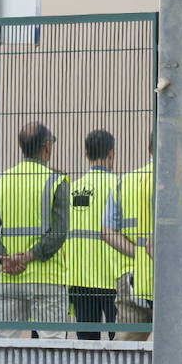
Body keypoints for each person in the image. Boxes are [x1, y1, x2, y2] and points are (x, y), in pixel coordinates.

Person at [0, 122, 71, 337]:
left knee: (4, 347)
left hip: (9, 277)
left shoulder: (1, 180)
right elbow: (59, 232)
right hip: (47, 279)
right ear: (47, 146)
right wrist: (29, 256)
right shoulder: (56, 181)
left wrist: (4, 259)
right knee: (53, 349)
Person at [65, 129, 128, 340]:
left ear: (86, 155)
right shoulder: (121, 187)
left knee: (86, 344)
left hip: (79, 278)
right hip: (114, 278)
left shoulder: (72, 189)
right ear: (112, 153)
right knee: (118, 343)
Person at [100, 132, 154, 341]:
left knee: (126, 351)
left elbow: (107, 231)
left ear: (149, 148)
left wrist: (139, 253)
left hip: (132, 276)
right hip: (173, 279)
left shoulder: (125, 181)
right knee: (174, 347)